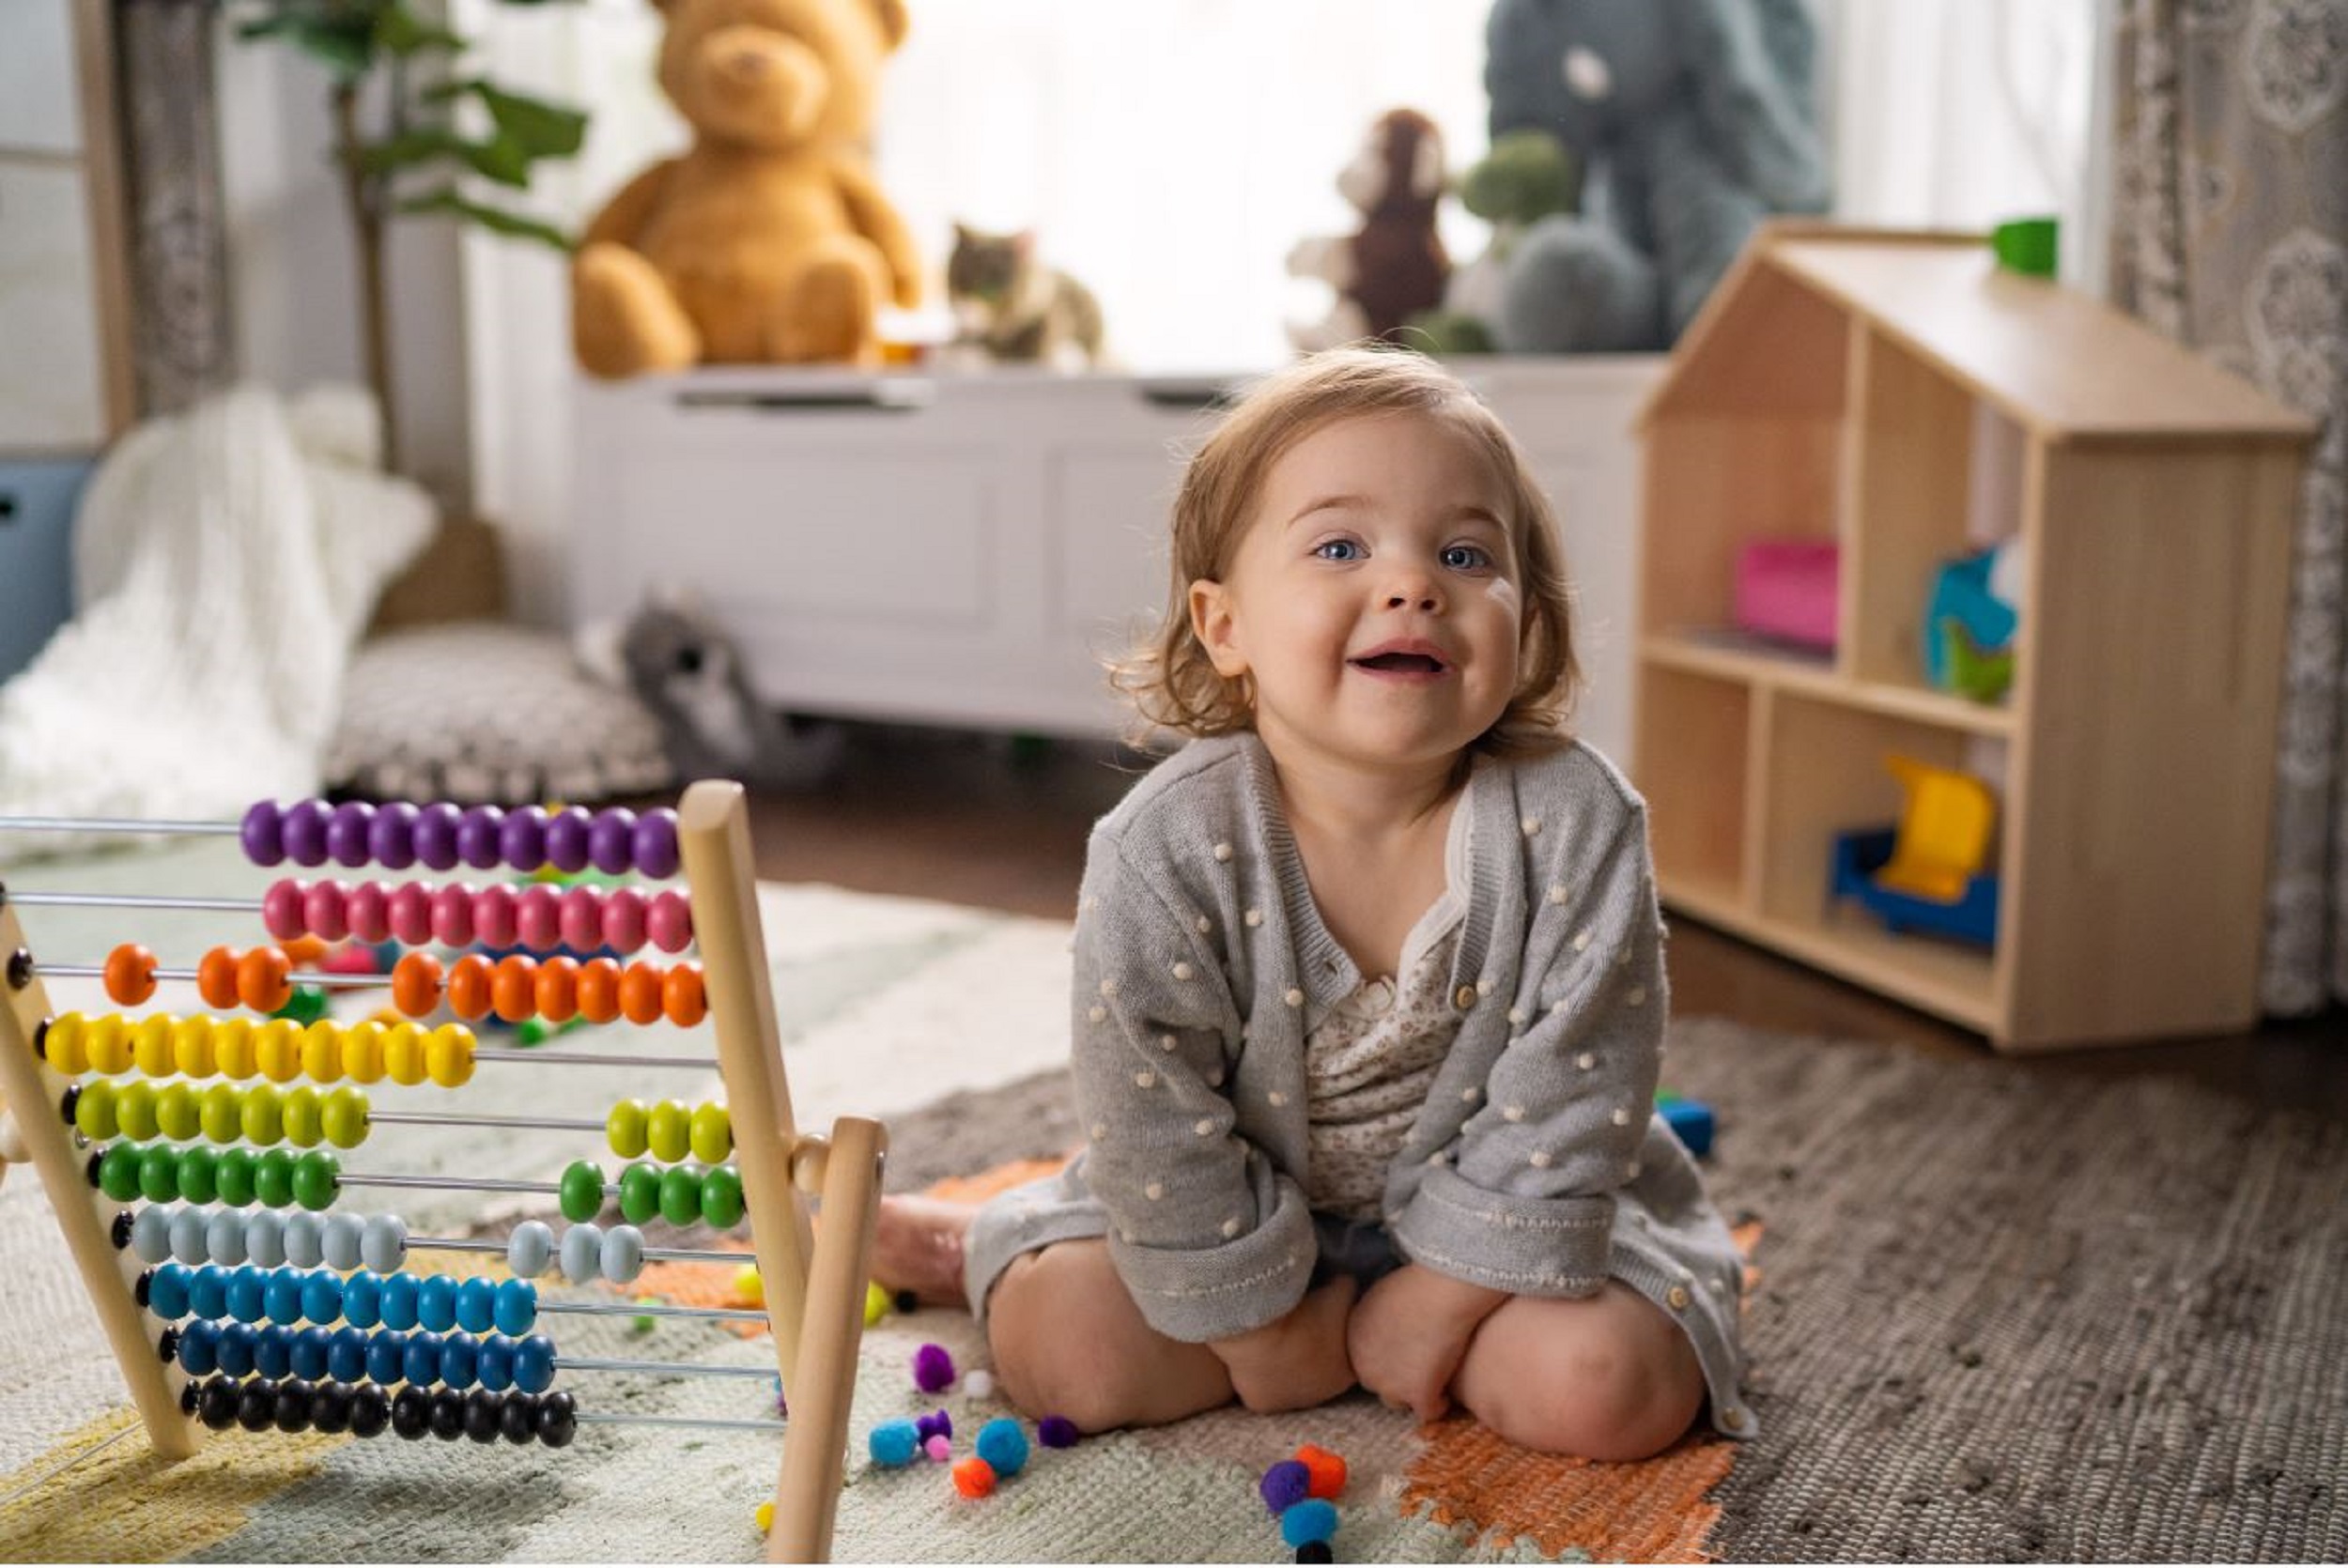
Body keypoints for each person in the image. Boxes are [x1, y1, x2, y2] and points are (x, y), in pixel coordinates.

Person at [873, 345, 1752, 1458]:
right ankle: (976, 1245)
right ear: (1224, 626)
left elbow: (1578, 1093)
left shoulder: (1578, 822)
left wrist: (1438, 1301)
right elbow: (1153, 1116)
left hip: (1508, 1213)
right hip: (1227, 1212)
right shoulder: (1164, 847)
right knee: (1069, 1352)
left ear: (1526, 622)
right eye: (1340, 546)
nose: (1412, 584)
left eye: (1465, 553)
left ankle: (1413, 1328)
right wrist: (1254, 1329)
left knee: (1607, 1387)